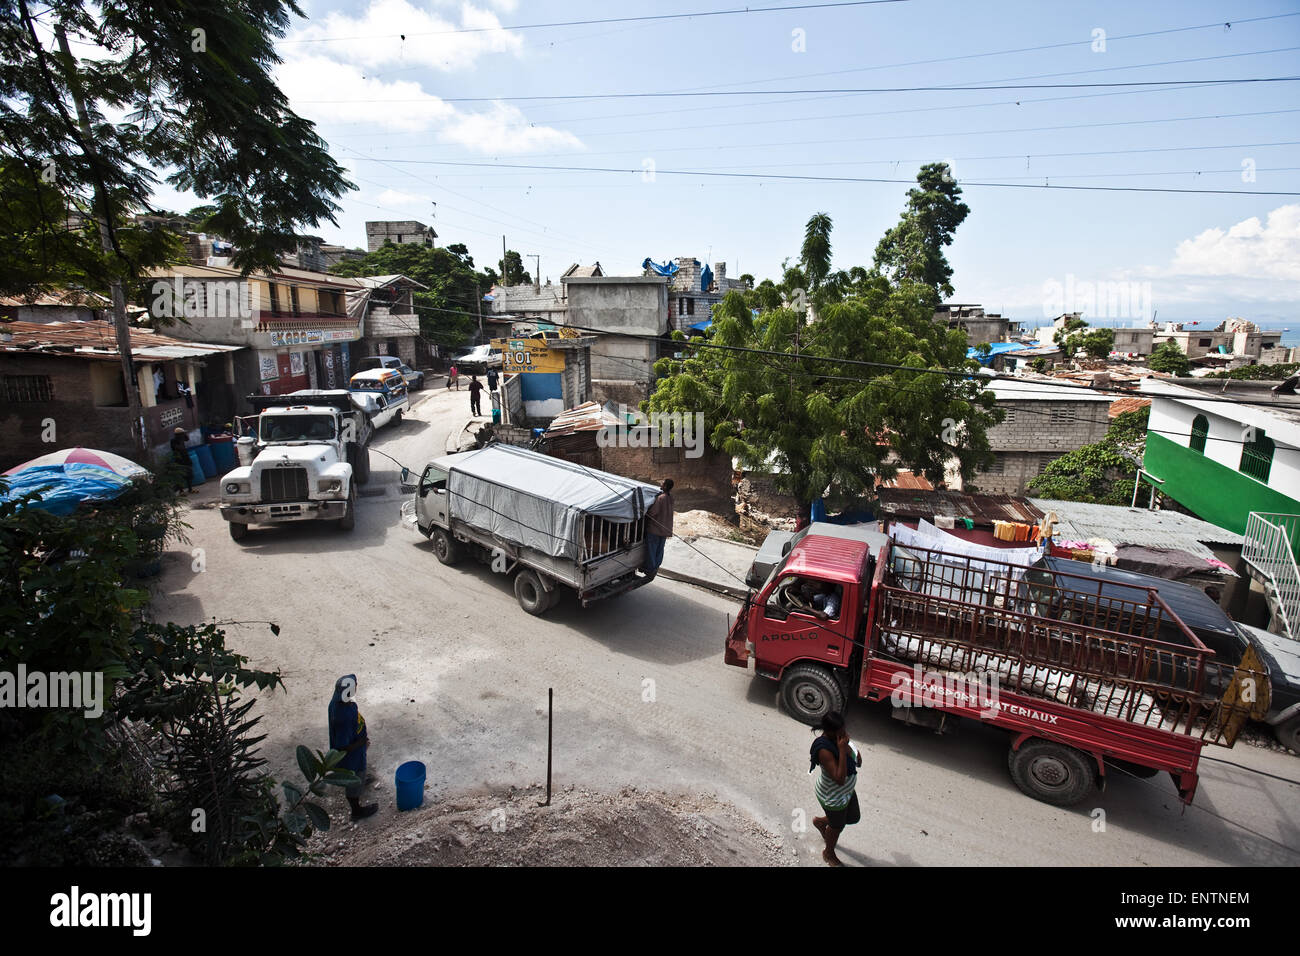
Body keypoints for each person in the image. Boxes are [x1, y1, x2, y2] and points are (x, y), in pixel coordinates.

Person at [809, 710, 861, 867]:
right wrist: (842, 750)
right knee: (837, 826)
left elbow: (858, 761)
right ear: (830, 731)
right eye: (840, 731)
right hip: (832, 795)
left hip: (845, 792)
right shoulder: (824, 749)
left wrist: (849, 749)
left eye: (843, 729)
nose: (844, 733)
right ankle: (828, 853)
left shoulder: (841, 740)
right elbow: (839, 779)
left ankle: (821, 822)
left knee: (853, 817)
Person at [328, 675, 378, 820]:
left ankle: (360, 783)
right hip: (352, 755)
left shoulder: (337, 703)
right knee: (354, 775)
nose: (357, 685)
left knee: (358, 775)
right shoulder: (342, 717)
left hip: (356, 747)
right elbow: (343, 746)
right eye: (355, 685)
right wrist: (361, 742)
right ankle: (356, 811)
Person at [641, 478, 675, 578]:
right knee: (660, 549)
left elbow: (653, 512)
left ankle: (650, 569)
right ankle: (656, 567)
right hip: (665, 529)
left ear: (665, 486)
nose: (660, 484)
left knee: (652, 549)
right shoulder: (671, 497)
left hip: (655, 529)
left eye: (662, 483)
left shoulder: (661, 498)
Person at [169, 426, 193, 493]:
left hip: (186, 459)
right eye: (182, 434)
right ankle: (181, 491)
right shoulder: (173, 441)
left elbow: (187, 439)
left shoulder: (182, 439)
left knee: (190, 474)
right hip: (179, 460)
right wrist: (181, 439)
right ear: (178, 435)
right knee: (181, 476)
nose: (183, 435)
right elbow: (179, 448)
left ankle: (190, 489)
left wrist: (184, 434)